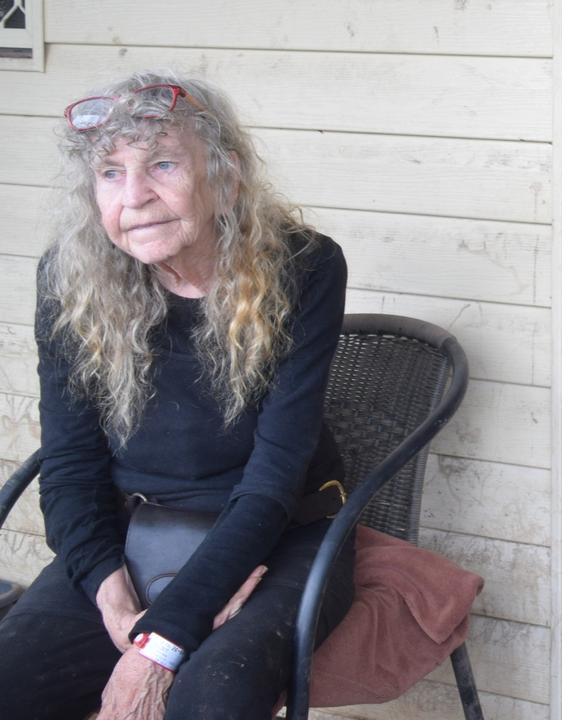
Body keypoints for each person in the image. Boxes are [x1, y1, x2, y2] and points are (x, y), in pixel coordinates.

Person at [0, 71, 355, 719]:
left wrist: (159, 643)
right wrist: (107, 590)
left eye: (162, 164)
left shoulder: (304, 267)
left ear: (226, 178)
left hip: (276, 535)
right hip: (132, 535)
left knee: (212, 695)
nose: (134, 196)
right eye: (110, 172)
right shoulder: (70, 276)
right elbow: (70, 464)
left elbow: (275, 479)